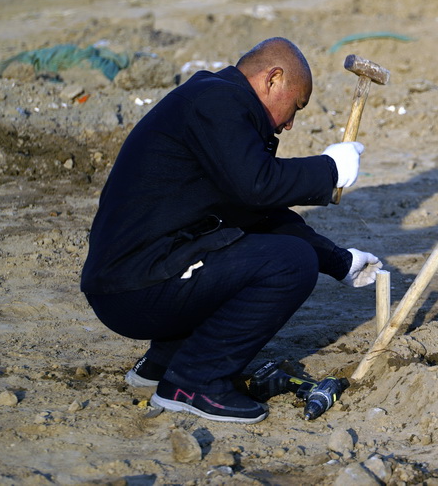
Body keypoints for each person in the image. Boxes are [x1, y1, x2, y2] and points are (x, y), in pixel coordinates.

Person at [80, 37, 382, 424]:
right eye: (295, 107)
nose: (290, 123)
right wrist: (327, 169)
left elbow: (259, 211)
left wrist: (339, 261)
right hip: (135, 287)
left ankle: (164, 362)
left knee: (261, 247)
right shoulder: (217, 104)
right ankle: (193, 382)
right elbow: (257, 186)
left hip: (133, 281)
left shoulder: (215, 104)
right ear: (273, 79)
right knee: (289, 264)